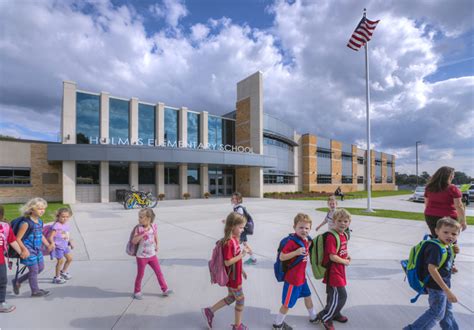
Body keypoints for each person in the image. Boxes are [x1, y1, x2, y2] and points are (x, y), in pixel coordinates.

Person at [404, 217, 460, 330]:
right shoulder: (435, 247)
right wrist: (447, 291)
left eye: (454, 234)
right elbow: (432, 269)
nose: (450, 236)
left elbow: (442, 265)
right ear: (436, 231)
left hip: (441, 285)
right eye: (446, 232)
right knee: (436, 313)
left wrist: (451, 266)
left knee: (446, 313)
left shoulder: (446, 246)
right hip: (437, 286)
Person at [202, 212, 250, 330]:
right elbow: (227, 262)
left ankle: (210, 311)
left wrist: (242, 269)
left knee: (231, 297)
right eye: (240, 227)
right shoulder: (229, 243)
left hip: (234, 275)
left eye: (243, 227)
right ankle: (237, 326)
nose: (243, 230)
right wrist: (243, 255)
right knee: (241, 300)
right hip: (233, 279)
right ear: (232, 226)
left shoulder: (234, 240)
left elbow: (235, 258)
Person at [273, 213, 318, 330]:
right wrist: (296, 252)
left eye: (307, 228)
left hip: (302, 279)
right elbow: (282, 257)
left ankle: (313, 317)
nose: (304, 230)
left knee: (308, 296)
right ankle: (277, 324)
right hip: (293, 280)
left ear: (310, 229)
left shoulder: (306, 239)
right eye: (301, 227)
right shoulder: (292, 242)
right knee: (287, 304)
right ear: (294, 227)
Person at [315, 209, 351, 330]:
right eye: (339, 221)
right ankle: (326, 318)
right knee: (341, 296)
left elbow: (341, 250)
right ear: (334, 221)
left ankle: (333, 313)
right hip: (333, 271)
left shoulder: (344, 234)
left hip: (339, 270)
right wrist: (345, 261)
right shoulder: (331, 236)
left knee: (332, 296)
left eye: (345, 221)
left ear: (349, 222)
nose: (342, 223)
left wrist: (347, 256)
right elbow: (332, 256)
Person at [13, 197, 53, 297]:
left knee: (40, 268)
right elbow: (18, 239)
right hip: (28, 249)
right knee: (34, 270)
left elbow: (41, 234)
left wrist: (47, 244)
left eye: (43, 208)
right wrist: (23, 249)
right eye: (39, 208)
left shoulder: (39, 221)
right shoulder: (26, 223)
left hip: (37, 249)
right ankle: (35, 291)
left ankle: (17, 281)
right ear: (31, 209)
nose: (42, 211)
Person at [132, 208, 172, 299]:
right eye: (139, 217)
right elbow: (134, 241)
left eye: (141, 217)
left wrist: (157, 245)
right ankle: (137, 291)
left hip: (152, 255)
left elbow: (156, 236)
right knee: (140, 274)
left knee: (159, 272)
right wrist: (142, 234)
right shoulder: (139, 228)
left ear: (148, 218)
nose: (139, 219)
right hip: (141, 256)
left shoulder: (153, 226)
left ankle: (165, 289)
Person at [424, 167, 467, 236]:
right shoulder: (452, 188)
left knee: (436, 239)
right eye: (453, 174)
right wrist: (463, 221)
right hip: (448, 218)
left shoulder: (429, 187)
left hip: (430, 216)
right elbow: (459, 206)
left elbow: (426, 204)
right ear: (449, 176)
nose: (453, 176)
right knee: (450, 240)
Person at [0, 205, 23, 312]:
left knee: (2, 281)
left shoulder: (4, 227)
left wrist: (21, 252)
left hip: (0, 261)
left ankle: (1, 303)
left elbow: (12, 240)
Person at [48, 208, 74, 284]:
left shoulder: (66, 225)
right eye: (63, 216)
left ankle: (63, 272)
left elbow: (66, 235)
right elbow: (50, 237)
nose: (65, 218)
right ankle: (57, 277)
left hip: (65, 246)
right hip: (58, 247)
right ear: (58, 216)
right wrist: (52, 243)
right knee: (60, 261)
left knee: (69, 258)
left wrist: (70, 242)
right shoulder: (56, 225)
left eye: (67, 217)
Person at [231, 192, 257, 265]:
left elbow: (240, 220)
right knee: (244, 244)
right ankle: (253, 258)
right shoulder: (236, 207)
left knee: (236, 244)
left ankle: (234, 260)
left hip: (241, 230)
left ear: (239, 200)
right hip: (242, 230)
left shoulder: (239, 209)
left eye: (234, 198)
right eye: (232, 198)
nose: (233, 199)